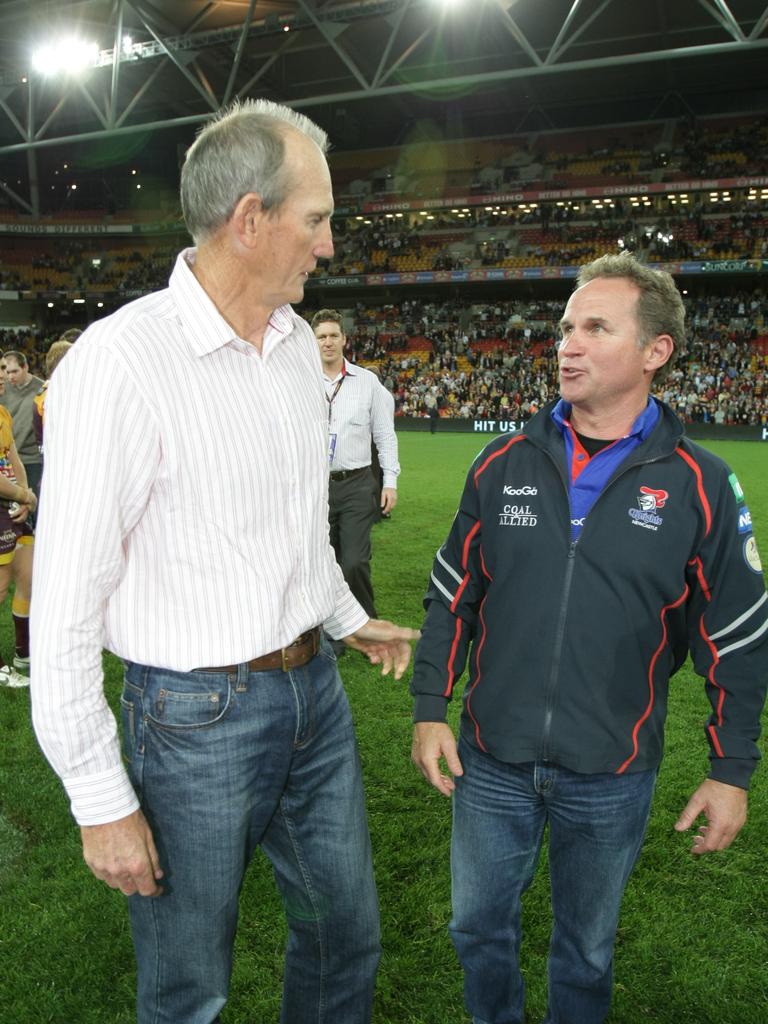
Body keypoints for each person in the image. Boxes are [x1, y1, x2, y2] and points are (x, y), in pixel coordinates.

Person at [31, 99, 418, 1024]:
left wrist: (345, 617)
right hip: (192, 719)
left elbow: (296, 526)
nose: (328, 246)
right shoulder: (120, 363)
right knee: (188, 986)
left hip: (312, 696)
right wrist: (98, 797)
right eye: (316, 220)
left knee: (344, 936)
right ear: (251, 219)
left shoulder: (292, 348)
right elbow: (65, 600)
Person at [410, 250, 768, 1024]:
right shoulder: (501, 459)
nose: (567, 343)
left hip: (611, 770)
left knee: (586, 949)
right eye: (566, 325)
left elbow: (736, 636)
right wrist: (430, 707)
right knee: (476, 927)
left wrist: (731, 769)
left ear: (655, 351)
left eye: (595, 327)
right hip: (491, 759)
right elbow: (452, 594)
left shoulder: (701, 483)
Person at [311, 308, 399, 619]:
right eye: (321, 336)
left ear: (344, 339)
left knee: (354, 561)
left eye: (334, 335)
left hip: (358, 484)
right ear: (312, 341)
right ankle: (333, 626)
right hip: (316, 486)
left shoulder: (367, 382)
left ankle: (365, 623)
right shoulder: (301, 382)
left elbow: (385, 436)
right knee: (324, 562)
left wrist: (390, 482)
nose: (328, 342)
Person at [0, 355, 36, 687]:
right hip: (3, 505)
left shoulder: (3, 413)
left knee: (29, 573)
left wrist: (23, 492)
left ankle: (23, 651)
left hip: (11, 503)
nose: (2, 377)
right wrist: (24, 496)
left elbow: (14, 458)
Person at [1, 350, 44, 500]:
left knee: (34, 502)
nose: (9, 376)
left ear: (25, 367)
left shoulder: (41, 390)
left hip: (31, 458)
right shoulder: (3, 388)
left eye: (15, 371)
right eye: (6, 371)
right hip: (8, 458)